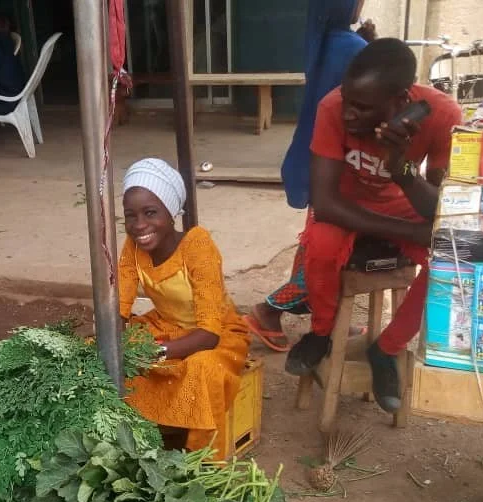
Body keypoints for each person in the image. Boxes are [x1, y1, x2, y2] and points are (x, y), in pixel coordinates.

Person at [281, 39, 462, 413]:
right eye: (348, 100)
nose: (348, 114)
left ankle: (387, 348)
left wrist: (404, 170)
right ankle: (321, 332)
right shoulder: (331, 107)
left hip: (403, 207)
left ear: (400, 101)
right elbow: (326, 204)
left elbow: (441, 210)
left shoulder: (443, 116)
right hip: (346, 207)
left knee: (449, 259)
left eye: (362, 108)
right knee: (321, 244)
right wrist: (407, 233)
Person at [245, 0, 376, 351]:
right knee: (331, 251)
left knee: (313, 241)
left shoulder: (320, 41)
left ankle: (324, 318)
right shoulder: (354, 48)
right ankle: (268, 310)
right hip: (341, 166)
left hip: (317, 158)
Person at [118, 159, 251, 459]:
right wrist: (116, 342)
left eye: (150, 213)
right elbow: (120, 307)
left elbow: (209, 334)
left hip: (217, 332)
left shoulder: (197, 245)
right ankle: (142, 435)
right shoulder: (133, 246)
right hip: (164, 325)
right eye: (130, 216)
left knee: (202, 369)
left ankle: (198, 460)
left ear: (172, 212)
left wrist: (159, 352)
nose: (139, 225)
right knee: (103, 354)